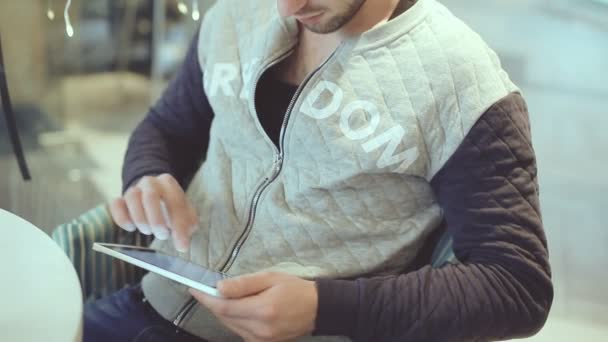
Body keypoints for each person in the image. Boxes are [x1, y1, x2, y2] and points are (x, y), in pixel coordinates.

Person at [84, 0, 553, 341]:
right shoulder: (234, 15)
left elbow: (515, 284)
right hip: (150, 303)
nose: (287, 7)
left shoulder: (462, 82)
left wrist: (322, 308)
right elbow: (169, 127)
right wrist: (148, 176)